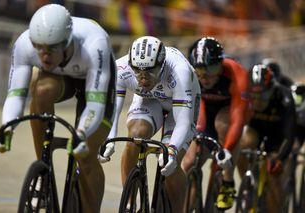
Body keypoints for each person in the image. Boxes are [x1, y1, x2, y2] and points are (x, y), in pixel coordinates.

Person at [0, 4, 116, 212]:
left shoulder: (95, 43)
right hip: (62, 77)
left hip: (95, 85)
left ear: (67, 42)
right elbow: (15, 95)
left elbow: (95, 104)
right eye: (39, 47)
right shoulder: (24, 44)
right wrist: (7, 127)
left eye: (51, 48)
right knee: (40, 90)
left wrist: (82, 132)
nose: (44, 56)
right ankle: (43, 169)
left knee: (85, 154)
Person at [98, 35, 201, 212]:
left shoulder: (180, 71)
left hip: (180, 102)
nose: (143, 77)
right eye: (137, 71)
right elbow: (112, 110)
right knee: (135, 138)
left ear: (162, 65)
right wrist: (108, 137)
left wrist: (173, 150)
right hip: (149, 99)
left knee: (170, 162)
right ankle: (130, 202)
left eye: (150, 71)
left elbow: (183, 122)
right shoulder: (121, 68)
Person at [182, 36, 251, 210]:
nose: (204, 77)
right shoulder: (191, 75)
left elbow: (238, 117)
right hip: (205, 108)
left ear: (221, 64)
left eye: (210, 69)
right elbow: (189, 110)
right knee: (189, 162)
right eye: (199, 70)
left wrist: (226, 149)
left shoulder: (236, 73)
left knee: (223, 124)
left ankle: (227, 180)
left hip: (231, 110)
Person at [237, 64, 296, 212]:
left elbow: (289, 137)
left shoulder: (285, 97)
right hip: (255, 129)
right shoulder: (243, 94)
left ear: (272, 90)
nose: (258, 101)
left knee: (275, 180)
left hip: (278, 136)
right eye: (254, 96)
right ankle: (249, 184)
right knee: (242, 147)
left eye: (263, 95)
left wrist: (279, 158)